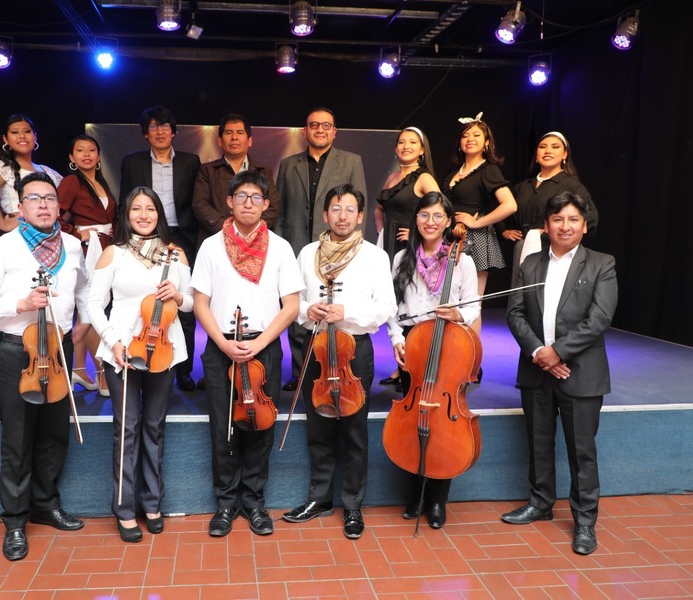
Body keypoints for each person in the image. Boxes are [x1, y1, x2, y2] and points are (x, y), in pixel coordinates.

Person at [0, 172, 90, 562]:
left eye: (49, 199)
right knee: (18, 439)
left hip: (57, 350)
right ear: (19, 207)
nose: (43, 204)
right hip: (17, 351)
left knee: (55, 432)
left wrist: (81, 324)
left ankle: (46, 503)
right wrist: (19, 305)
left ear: (58, 206)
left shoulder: (71, 245)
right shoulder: (2, 249)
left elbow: (83, 289)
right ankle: (16, 521)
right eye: (34, 198)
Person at [503, 191, 617, 556]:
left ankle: (585, 522)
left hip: (580, 373)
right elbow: (514, 313)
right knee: (538, 443)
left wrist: (559, 352)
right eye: (557, 219)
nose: (564, 226)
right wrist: (540, 352)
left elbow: (599, 319)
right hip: (537, 370)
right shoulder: (530, 263)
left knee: (581, 450)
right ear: (546, 226)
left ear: (584, 227)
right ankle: (540, 503)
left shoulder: (602, 263)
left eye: (572, 220)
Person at [190, 171, 303, 538]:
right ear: (229, 202)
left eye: (256, 198)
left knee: (260, 425)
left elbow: (290, 306)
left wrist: (260, 343)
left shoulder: (282, 248)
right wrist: (223, 344)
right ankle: (225, 503)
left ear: (267, 205)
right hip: (221, 347)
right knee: (222, 428)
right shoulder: (210, 246)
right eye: (242, 197)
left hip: (263, 347)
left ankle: (254, 502)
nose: (249, 204)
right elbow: (200, 302)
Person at [282, 184, 396, 540]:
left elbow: (386, 308)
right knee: (318, 428)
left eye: (349, 209)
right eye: (335, 208)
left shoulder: (375, 256)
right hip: (316, 349)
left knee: (353, 431)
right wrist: (306, 310)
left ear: (360, 216)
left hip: (353, 351)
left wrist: (348, 312)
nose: (342, 215)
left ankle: (352, 505)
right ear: (325, 214)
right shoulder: (308, 253)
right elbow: (292, 302)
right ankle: (319, 499)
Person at [87, 187, 192, 543]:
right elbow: (93, 305)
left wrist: (177, 295)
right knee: (127, 428)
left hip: (163, 350)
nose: (144, 215)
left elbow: (192, 303)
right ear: (127, 214)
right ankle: (124, 507)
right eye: (136, 209)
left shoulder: (174, 254)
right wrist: (112, 343)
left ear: (160, 214)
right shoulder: (112, 253)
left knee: (154, 427)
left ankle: (152, 502)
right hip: (123, 351)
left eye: (150, 209)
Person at [385, 192, 480, 528]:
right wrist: (397, 339)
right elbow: (392, 308)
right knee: (414, 421)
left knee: (443, 424)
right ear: (416, 219)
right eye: (424, 215)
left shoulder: (462, 260)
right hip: (415, 344)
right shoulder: (401, 259)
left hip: (449, 343)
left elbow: (473, 306)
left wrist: (457, 313)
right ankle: (415, 494)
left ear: (449, 221)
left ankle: (438, 500)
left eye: (438, 216)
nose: (430, 222)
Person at [276, 107, 367, 391]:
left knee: (331, 308)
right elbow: (280, 211)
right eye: (313, 125)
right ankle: (299, 371)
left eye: (326, 125)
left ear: (334, 131)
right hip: (296, 246)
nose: (320, 130)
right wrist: (281, 249)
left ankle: (333, 366)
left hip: (336, 247)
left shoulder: (352, 161)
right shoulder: (289, 164)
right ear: (305, 130)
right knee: (299, 308)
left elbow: (357, 205)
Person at [119, 106, 201, 392]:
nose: (161, 131)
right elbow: (125, 203)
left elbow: (194, 202)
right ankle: (145, 356)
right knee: (148, 301)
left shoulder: (191, 161)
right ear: (145, 133)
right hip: (146, 234)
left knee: (182, 304)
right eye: (154, 126)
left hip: (182, 237)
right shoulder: (132, 162)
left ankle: (183, 370)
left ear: (174, 131)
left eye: (166, 126)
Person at [374, 126, 441, 388]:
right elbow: (380, 208)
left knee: (409, 302)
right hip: (387, 244)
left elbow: (438, 208)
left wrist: (415, 230)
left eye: (412, 142)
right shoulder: (392, 177)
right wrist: (382, 232)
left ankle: (413, 367)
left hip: (411, 245)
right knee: (393, 302)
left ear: (422, 150)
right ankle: (400, 364)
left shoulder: (423, 177)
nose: (405, 146)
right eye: (401, 142)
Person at [58, 134, 117, 397]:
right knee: (92, 308)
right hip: (87, 248)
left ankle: (79, 369)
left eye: (91, 150)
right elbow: (53, 215)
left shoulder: (100, 182)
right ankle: (102, 371)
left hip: (105, 245)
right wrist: (75, 232)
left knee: (89, 310)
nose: (86, 154)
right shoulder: (71, 182)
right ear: (71, 158)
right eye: (79, 150)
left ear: (99, 156)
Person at [501, 131, 599, 286]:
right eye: (542, 147)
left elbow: (591, 219)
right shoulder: (523, 187)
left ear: (565, 154)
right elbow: (504, 214)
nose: (548, 151)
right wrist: (504, 230)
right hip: (523, 247)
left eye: (555, 147)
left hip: (555, 250)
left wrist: (554, 231)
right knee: (520, 297)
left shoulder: (572, 186)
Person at [441, 112, 517, 309]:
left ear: (486, 142)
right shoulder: (453, 172)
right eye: (465, 136)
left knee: (471, 304)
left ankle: (470, 341)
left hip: (475, 238)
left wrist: (476, 222)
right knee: (448, 300)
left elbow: (510, 204)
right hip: (450, 236)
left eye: (476, 135)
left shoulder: (488, 169)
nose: (469, 140)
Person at [192, 113, 280, 249]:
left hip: (255, 243)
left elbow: (272, 207)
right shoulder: (207, 170)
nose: (234, 137)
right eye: (228, 133)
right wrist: (230, 230)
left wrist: (250, 230)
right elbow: (200, 205)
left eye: (240, 132)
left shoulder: (263, 171)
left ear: (249, 140)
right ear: (220, 141)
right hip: (216, 239)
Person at [0, 114, 63, 240]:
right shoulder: (3, 168)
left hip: (49, 235)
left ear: (35, 136)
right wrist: (2, 224)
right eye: (15, 132)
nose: (22, 136)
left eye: (27, 131)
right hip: (18, 236)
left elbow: (65, 205)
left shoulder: (48, 172)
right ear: (6, 139)